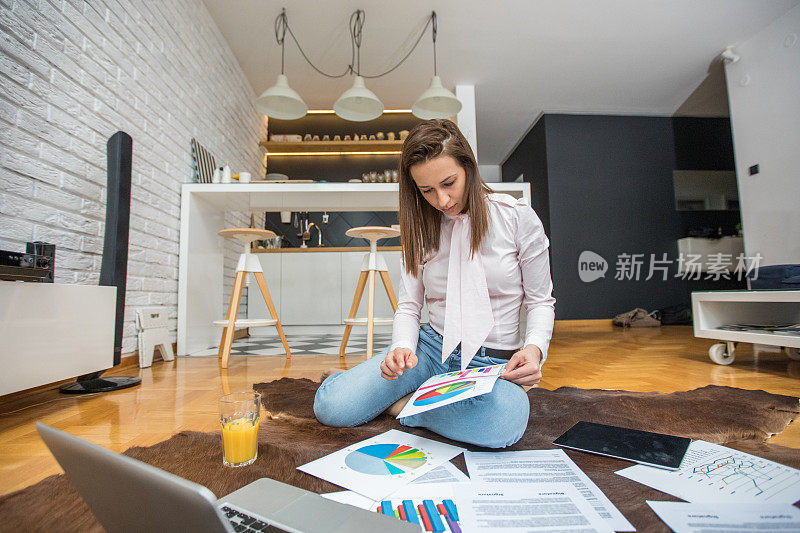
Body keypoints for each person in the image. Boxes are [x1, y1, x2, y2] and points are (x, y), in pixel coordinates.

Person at [314, 119, 555, 448]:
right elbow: (410, 307)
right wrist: (402, 348)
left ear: (468, 167)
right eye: (427, 190)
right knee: (332, 406)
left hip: (495, 363)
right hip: (430, 351)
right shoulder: (421, 231)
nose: (442, 200)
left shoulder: (516, 217)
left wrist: (534, 349)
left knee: (503, 424)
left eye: (449, 183)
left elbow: (541, 301)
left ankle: (404, 405)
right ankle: (414, 397)